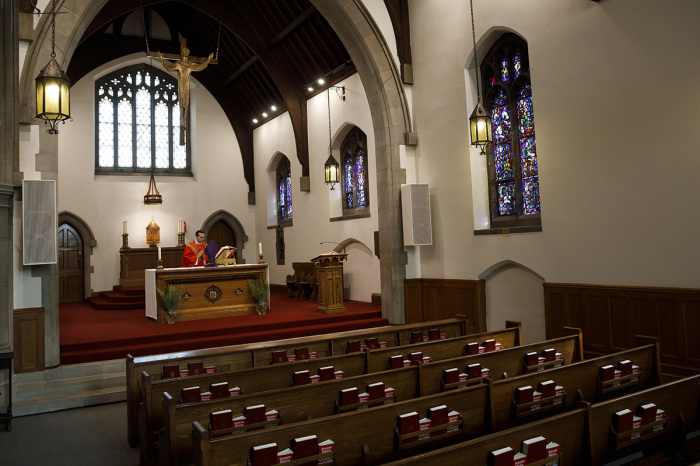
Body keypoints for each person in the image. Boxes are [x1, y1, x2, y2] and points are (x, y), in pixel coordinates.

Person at [157, 48, 214, 131]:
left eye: (187, 52)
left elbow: (200, 67)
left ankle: (184, 120)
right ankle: (182, 120)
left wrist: (208, 60)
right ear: (182, 53)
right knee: (181, 99)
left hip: (187, 84)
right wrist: (161, 59)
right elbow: (169, 67)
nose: (185, 53)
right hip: (181, 85)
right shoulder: (178, 64)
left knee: (186, 100)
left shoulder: (190, 65)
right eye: (184, 51)